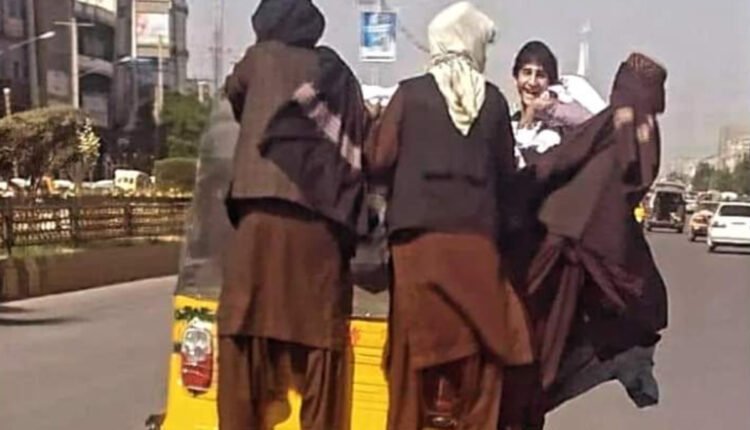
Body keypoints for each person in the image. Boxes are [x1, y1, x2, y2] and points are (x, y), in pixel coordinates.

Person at [366, 3, 533, 429]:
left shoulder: (409, 94)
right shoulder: (493, 102)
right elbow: (507, 176)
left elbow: (378, 159)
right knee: (483, 356)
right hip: (477, 247)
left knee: (412, 358)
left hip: (417, 248)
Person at [218, 1, 369, 429]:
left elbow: (234, 94)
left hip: (257, 225)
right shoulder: (336, 73)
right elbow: (358, 140)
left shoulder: (258, 58)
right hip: (319, 226)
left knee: (243, 334)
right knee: (320, 346)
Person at [498, 53, 669, 430]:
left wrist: (518, 187)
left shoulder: (614, 121)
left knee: (533, 335)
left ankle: (519, 411)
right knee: (557, 339)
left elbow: (562, 160)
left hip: (562, 240)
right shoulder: (645, 131)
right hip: (593, 248)